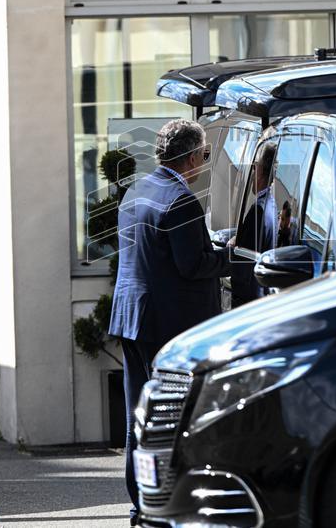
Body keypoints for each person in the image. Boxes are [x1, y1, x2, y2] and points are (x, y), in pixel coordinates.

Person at [109, 119, 232, 526]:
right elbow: (193, 264)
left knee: (137, 417)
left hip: (132, 317)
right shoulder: (181, 200)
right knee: (172, 419)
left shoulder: (138, 190)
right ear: (193, 156)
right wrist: (230, 255)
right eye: (204, 155)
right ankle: (166, 505)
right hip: (169, 323)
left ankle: (140, 504)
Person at [231, 141, 277, 307]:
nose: (251, 173)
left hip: (251, 302)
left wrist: (234, 246)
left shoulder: (258, 210)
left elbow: (244, 265)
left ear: (261, 170)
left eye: (254, 167)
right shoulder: (270, 204)